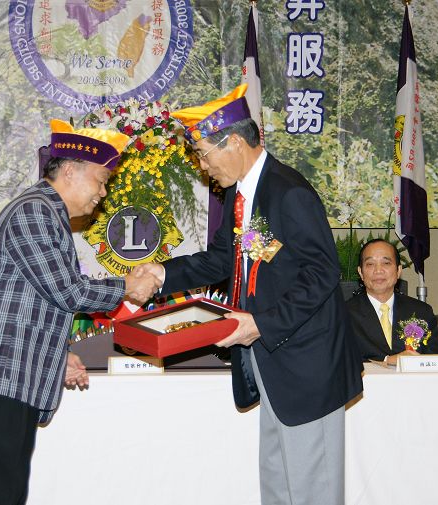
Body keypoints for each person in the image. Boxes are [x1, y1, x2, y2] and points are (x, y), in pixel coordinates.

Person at [140, 84, 363, 505]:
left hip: (306, 364)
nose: (202, 166)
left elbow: (322, 273)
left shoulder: (289, 192)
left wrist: (261, 323)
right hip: (269, 357)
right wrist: (162, 273)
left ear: (235, 142)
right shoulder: (241, 194)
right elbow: (222, 259)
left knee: (312, 485)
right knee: (278, 476)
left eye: (203, 154)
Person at [0, 119, 162, 505]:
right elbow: (67, 291)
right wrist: (127, 286)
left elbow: (32, 302)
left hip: (4, 377)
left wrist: (59, 353)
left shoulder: (45, 213)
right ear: (70, 171)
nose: (103, 193)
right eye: (101, 180)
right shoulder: (34, 212)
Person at [346, 238, 438, 364]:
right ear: (360, 272)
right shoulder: (344, 314)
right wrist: (387, 360)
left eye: (386, 263)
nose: (378, 270)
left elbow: (437, 359)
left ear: (398, 271)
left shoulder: (421, 311)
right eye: (370, 264)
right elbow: (339, 359)